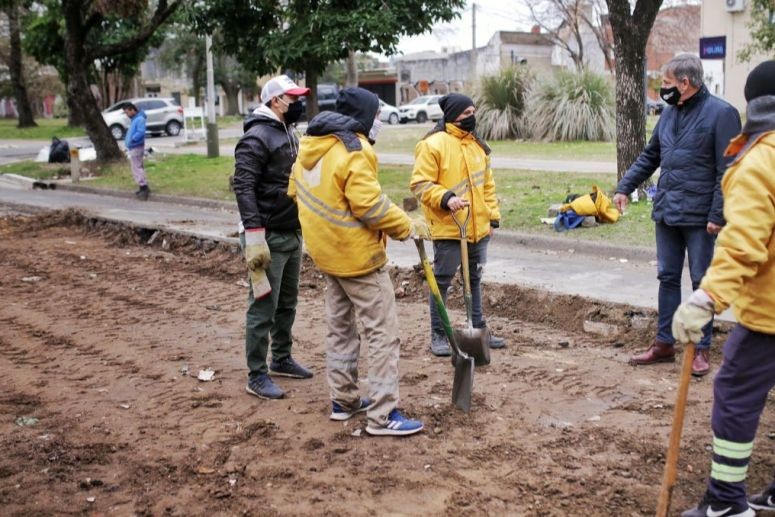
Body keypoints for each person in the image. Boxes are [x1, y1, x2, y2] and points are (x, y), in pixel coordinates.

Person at [288, 87, 429, 437]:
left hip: (326, 255)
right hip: (358, 259)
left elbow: (295, 192)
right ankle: (383, 415)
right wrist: (407, 227)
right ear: (363, 116)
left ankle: (344, 401)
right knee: (383, 334)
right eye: (377, 115)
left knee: (340, 330)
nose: (379, 121)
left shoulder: (310, 146)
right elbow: (370, 205)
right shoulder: (354, 150)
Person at [674, 60, 775, 517]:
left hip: (771, 315)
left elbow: (744, 241)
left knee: (734, 391)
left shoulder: (761, 160)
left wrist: (706, 297)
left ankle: (726, 503)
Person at [613, 54, 741, 377]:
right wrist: (624, 187)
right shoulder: (669, 114)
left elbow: (726, 172)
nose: (663, 89)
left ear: (685, 83)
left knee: (701, 281)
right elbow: (650, 155)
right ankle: (664, 343)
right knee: (667, 277)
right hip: (667, 212)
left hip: (701, 218)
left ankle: (700, 349)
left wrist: (717, 214)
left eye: (667, 83)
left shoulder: (722, 114)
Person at [233, 74, 313, 400]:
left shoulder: (289, 131)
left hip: (291, 232)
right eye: (292, 99)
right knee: (263, 306)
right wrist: (254, 234)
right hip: (265, 236)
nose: (298, 104)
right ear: (276, 102)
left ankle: (281, 357)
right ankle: (256, 374)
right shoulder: (257, 137)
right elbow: (243, 186)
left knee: (287, 303)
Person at [409, 93, 504, 357]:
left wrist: (492, 217)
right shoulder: (432, 145)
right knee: (442, 281)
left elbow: (487, 186)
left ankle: (478, 328)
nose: (471, 117)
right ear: (452, 115)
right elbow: (420, 184)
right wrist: (446, 198)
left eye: (473, 111)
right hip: (448, 226)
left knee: (474, 279)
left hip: (477, 228)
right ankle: (439, 334)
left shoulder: (478, 146)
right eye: (465, 113)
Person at [123, 102, 150, 201]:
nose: (127, 115)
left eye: (127, 112)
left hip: (136, 146)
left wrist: (133, 139)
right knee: (137, 166)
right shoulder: (136, 119)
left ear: (132, 110)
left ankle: (144, 187)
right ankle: (142, 186)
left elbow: (141, 132)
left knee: (136, 167)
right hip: (134, 146)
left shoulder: (139, 119)